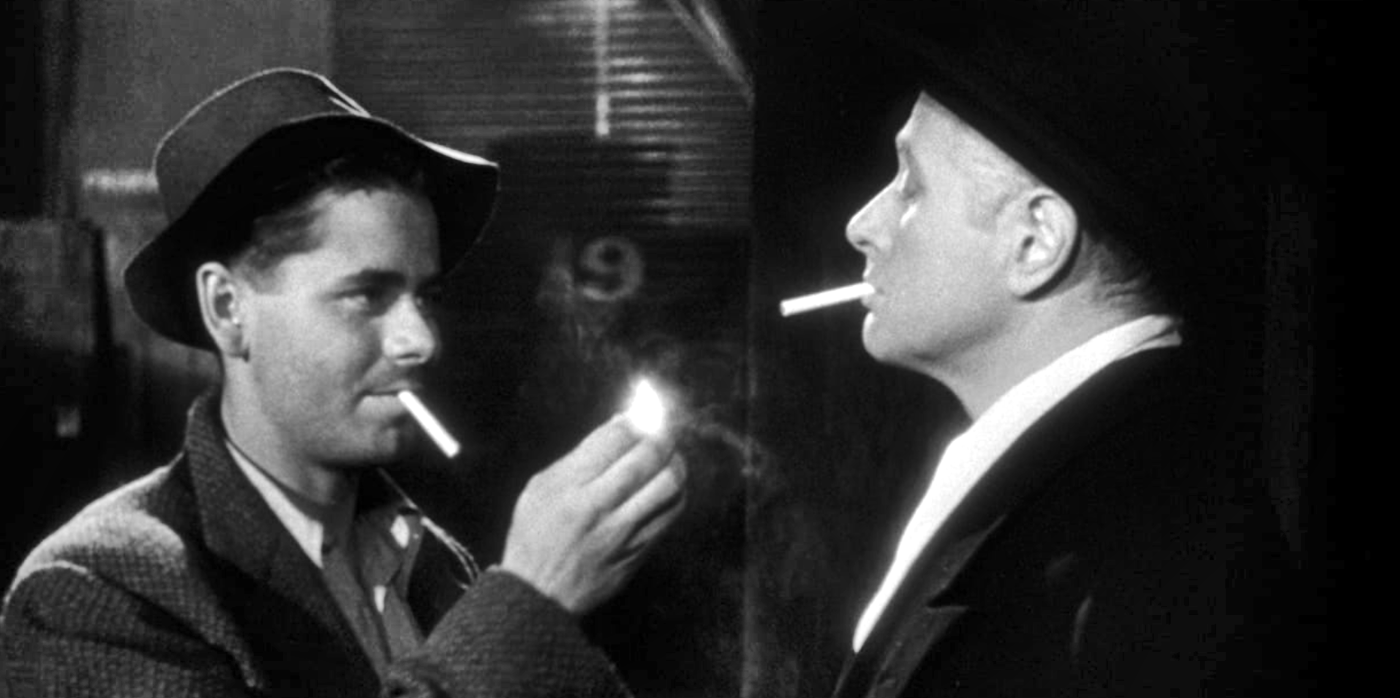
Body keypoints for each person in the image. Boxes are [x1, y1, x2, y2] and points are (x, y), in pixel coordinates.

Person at [1, 68, 685, 697]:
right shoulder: (95, 594)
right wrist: (532, 600)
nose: (421, 339)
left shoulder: (432, 563)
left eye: (424, 296)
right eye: (366, 295)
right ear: (228, 308)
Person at [829, 4, 1307, 696]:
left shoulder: (1130, 564)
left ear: (1035, 242)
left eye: (911, 186)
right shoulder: (1102, 491)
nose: (861, 225)